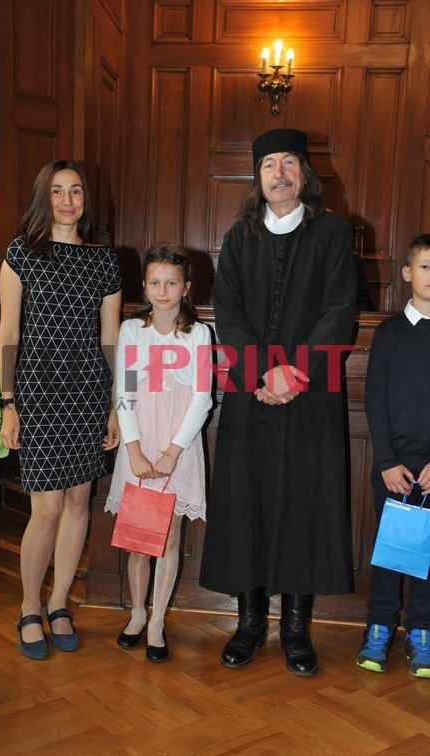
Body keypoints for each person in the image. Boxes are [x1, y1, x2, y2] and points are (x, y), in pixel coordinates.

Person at [199, 128, 357, 676]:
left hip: (310, 398)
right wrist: (262, 372)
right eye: (269, 164)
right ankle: (249, 625)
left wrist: (295, 372)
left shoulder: (333, 232)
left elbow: (339, 310)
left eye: (289, 162)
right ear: (258, 176)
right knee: (248, 503)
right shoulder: (239, 236)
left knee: (301, 505)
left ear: (304, 173)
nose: (280, 173)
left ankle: (294, 630)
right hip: (251, 395)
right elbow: (227, 310)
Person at [0, 159, 122, 659]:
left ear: (86, 198)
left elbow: (112, 341)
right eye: (56, 190)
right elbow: (9, 332)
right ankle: (29, 606)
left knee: (77, 501)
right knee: (46, 508)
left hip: (88, 392)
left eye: (75, 190)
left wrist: (118, 405)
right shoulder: (21, 253)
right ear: (43, 197)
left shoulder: (105, 261)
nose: (67, 200)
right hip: (37, 392)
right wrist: (8, 403)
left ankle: (59, 602)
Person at [105, 245, 212, 661]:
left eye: (171, 283)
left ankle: (157, 622)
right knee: (138, 540)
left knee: (167, 538)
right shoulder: (133, 330)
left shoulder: (198, 334)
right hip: (141, 443)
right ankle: (137, 613)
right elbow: (125, 393)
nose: (162, 291)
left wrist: (171, 453)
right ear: (144, 286)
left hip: (177, 448)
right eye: (154, 283)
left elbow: (202, 399)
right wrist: (133, 450)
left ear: (186, 287)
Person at [356, 234, 430, 678]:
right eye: (425, 266)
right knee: (390, 552)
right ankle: (380, 626)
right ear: (407, 273)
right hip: (393, 468)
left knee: (428, 553)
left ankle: (422, 630)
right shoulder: (389, 332)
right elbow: (375, 400)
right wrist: (385, 461)